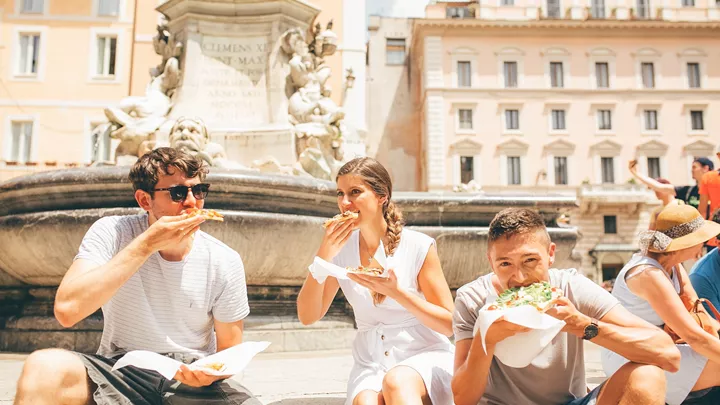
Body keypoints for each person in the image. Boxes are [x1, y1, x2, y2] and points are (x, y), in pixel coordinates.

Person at [14, 148, 260, 405]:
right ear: (144, 201)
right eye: (178, 193)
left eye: (198, 191)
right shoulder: (113, 232)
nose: (191, 202)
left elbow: (229, 351)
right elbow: (67, 310)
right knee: (44, 366)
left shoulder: (224, 258)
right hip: (120, 371)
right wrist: (146, 245)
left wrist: (210, 373)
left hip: (191, 379)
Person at [452, 208, 680, 405]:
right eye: (505, 264)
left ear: (551, 254)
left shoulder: (571, 286)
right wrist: (487, 340)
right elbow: (462, 399)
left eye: (530, 261)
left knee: (648, 375)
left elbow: (668, 354)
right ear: (491, 262)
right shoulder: (473, 299)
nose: (519, 277)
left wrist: (581, 325)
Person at [297, 157, 455, 405]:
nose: (344, 203)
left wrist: (397, 293)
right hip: (371, 362)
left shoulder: (417, 246)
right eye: (340, 194)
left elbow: (449, 324)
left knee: (396, 383)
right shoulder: (338, 250)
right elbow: (308, 316)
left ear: (382, 196)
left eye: (355, 192)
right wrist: (322, 256)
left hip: (424, 354)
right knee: (366, 402)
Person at [602, 204, 720, 405]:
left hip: (658, 347)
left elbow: (697, 310)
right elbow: (692, 335)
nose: (705, 243)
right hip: (632, 356)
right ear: (684, 244)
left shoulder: (673, 266)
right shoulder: (648, 275)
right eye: (700, 238)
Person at [628, 157, 713, 212]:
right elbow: (659, 187)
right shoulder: (688, 191)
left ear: (705, 168)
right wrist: (635, 173)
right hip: (696, 236)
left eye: (694, 167)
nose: (691, 170)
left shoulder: (716, 189)